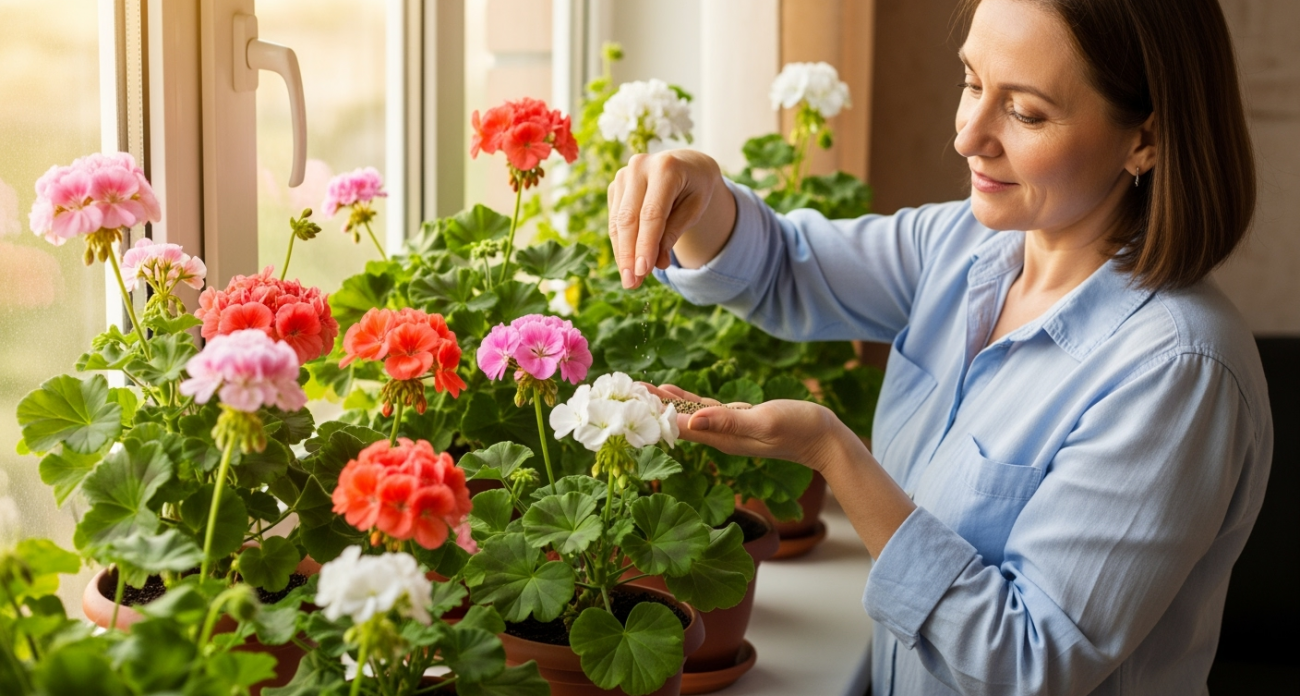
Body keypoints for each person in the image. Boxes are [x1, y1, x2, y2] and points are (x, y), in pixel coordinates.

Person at [606, 0, 1272, 693]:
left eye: (1026, 112)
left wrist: (832, 453)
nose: (969, 137)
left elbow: (1023, 663)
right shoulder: (967, 245)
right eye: (972, 82)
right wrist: (698, 191)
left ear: (1145, 139)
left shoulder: (1179, 371)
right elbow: (785, 266)